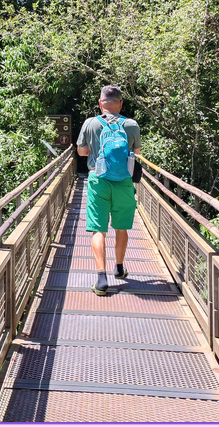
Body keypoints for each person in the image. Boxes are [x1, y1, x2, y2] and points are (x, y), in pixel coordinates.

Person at [76, 85, 141, 296]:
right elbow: (136, 152)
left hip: (98, 180)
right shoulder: (131, 125)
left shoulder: (91, 123)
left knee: (98, 229)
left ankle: (101, 280)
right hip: (124, 182)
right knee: (121, 228)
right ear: (121, 103)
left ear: (100, 103)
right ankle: (119, 268)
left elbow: (81, 152)